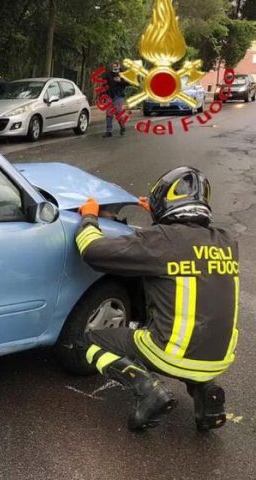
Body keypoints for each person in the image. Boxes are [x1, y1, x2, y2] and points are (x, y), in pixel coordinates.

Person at [75, 166, 238, 432]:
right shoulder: (227, 242)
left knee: (89, 342)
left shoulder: (159, 241)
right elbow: (187, 251)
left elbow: (92, 251)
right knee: (194, 332)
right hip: (220, 357)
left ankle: (147, 390)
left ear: (164, 204)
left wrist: (89, 217)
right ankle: (206, 391)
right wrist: (156, 215)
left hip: (172, 353)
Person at [103, 60, 127, 137]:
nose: (115, 68)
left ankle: (122, 126)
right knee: (109, 113)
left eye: (116, 66)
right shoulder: (108, 74)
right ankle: (108, 131)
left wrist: (120, 80)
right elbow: (104, 84)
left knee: (118, 112)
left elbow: (128, 82)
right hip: (110, 95)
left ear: (119, 66)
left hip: (119, 96)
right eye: (113, 66)